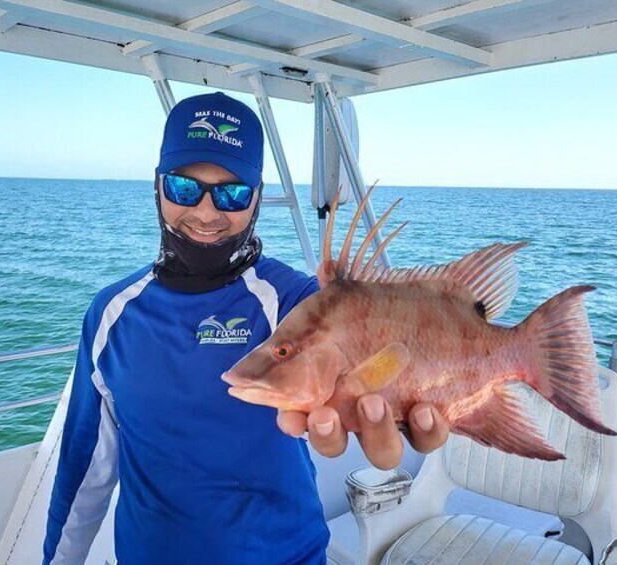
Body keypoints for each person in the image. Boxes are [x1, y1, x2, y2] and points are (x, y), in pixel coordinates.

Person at [43, 92, 449, 564]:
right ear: (157, 186)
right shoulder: (111, 315)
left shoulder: (295, 305)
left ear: (256, 198)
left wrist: (410, 404)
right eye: (184, 188)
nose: (208, 212)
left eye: (232, 192)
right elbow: (86, 464)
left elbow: (381, 354)